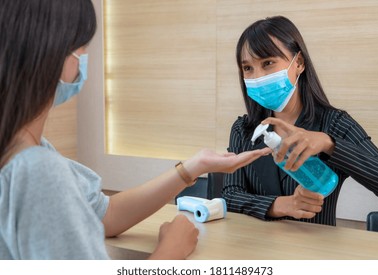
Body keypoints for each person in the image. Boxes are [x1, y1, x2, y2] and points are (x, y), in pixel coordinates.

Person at [0, 0, 271, 260]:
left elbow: (104, 214)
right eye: (81, 47)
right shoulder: (39, 171)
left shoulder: (26, 150)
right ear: (50, 53)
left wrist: (193, 167)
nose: (83, 58)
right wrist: (171, 250)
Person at [222, 15, 378, 226]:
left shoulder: (335, 124)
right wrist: (280, 205)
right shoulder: (244, 129)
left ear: (299, 63)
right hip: (259, 252)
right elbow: (229, 196)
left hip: (316, 254)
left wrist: (329, 144)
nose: (258, 77)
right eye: (248, 68)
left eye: (268, 63)